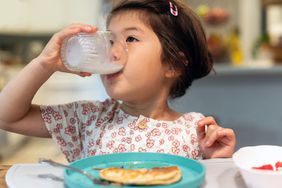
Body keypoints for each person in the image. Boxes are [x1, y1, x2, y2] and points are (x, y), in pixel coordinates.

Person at [0, 0, 236, 162]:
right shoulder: (89, 118)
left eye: (131, 38)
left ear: (173, 64)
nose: (112, 52)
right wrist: (44, 64)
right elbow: (7, 117)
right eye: (111, 40)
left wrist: (216, 161)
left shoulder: (195, 130)